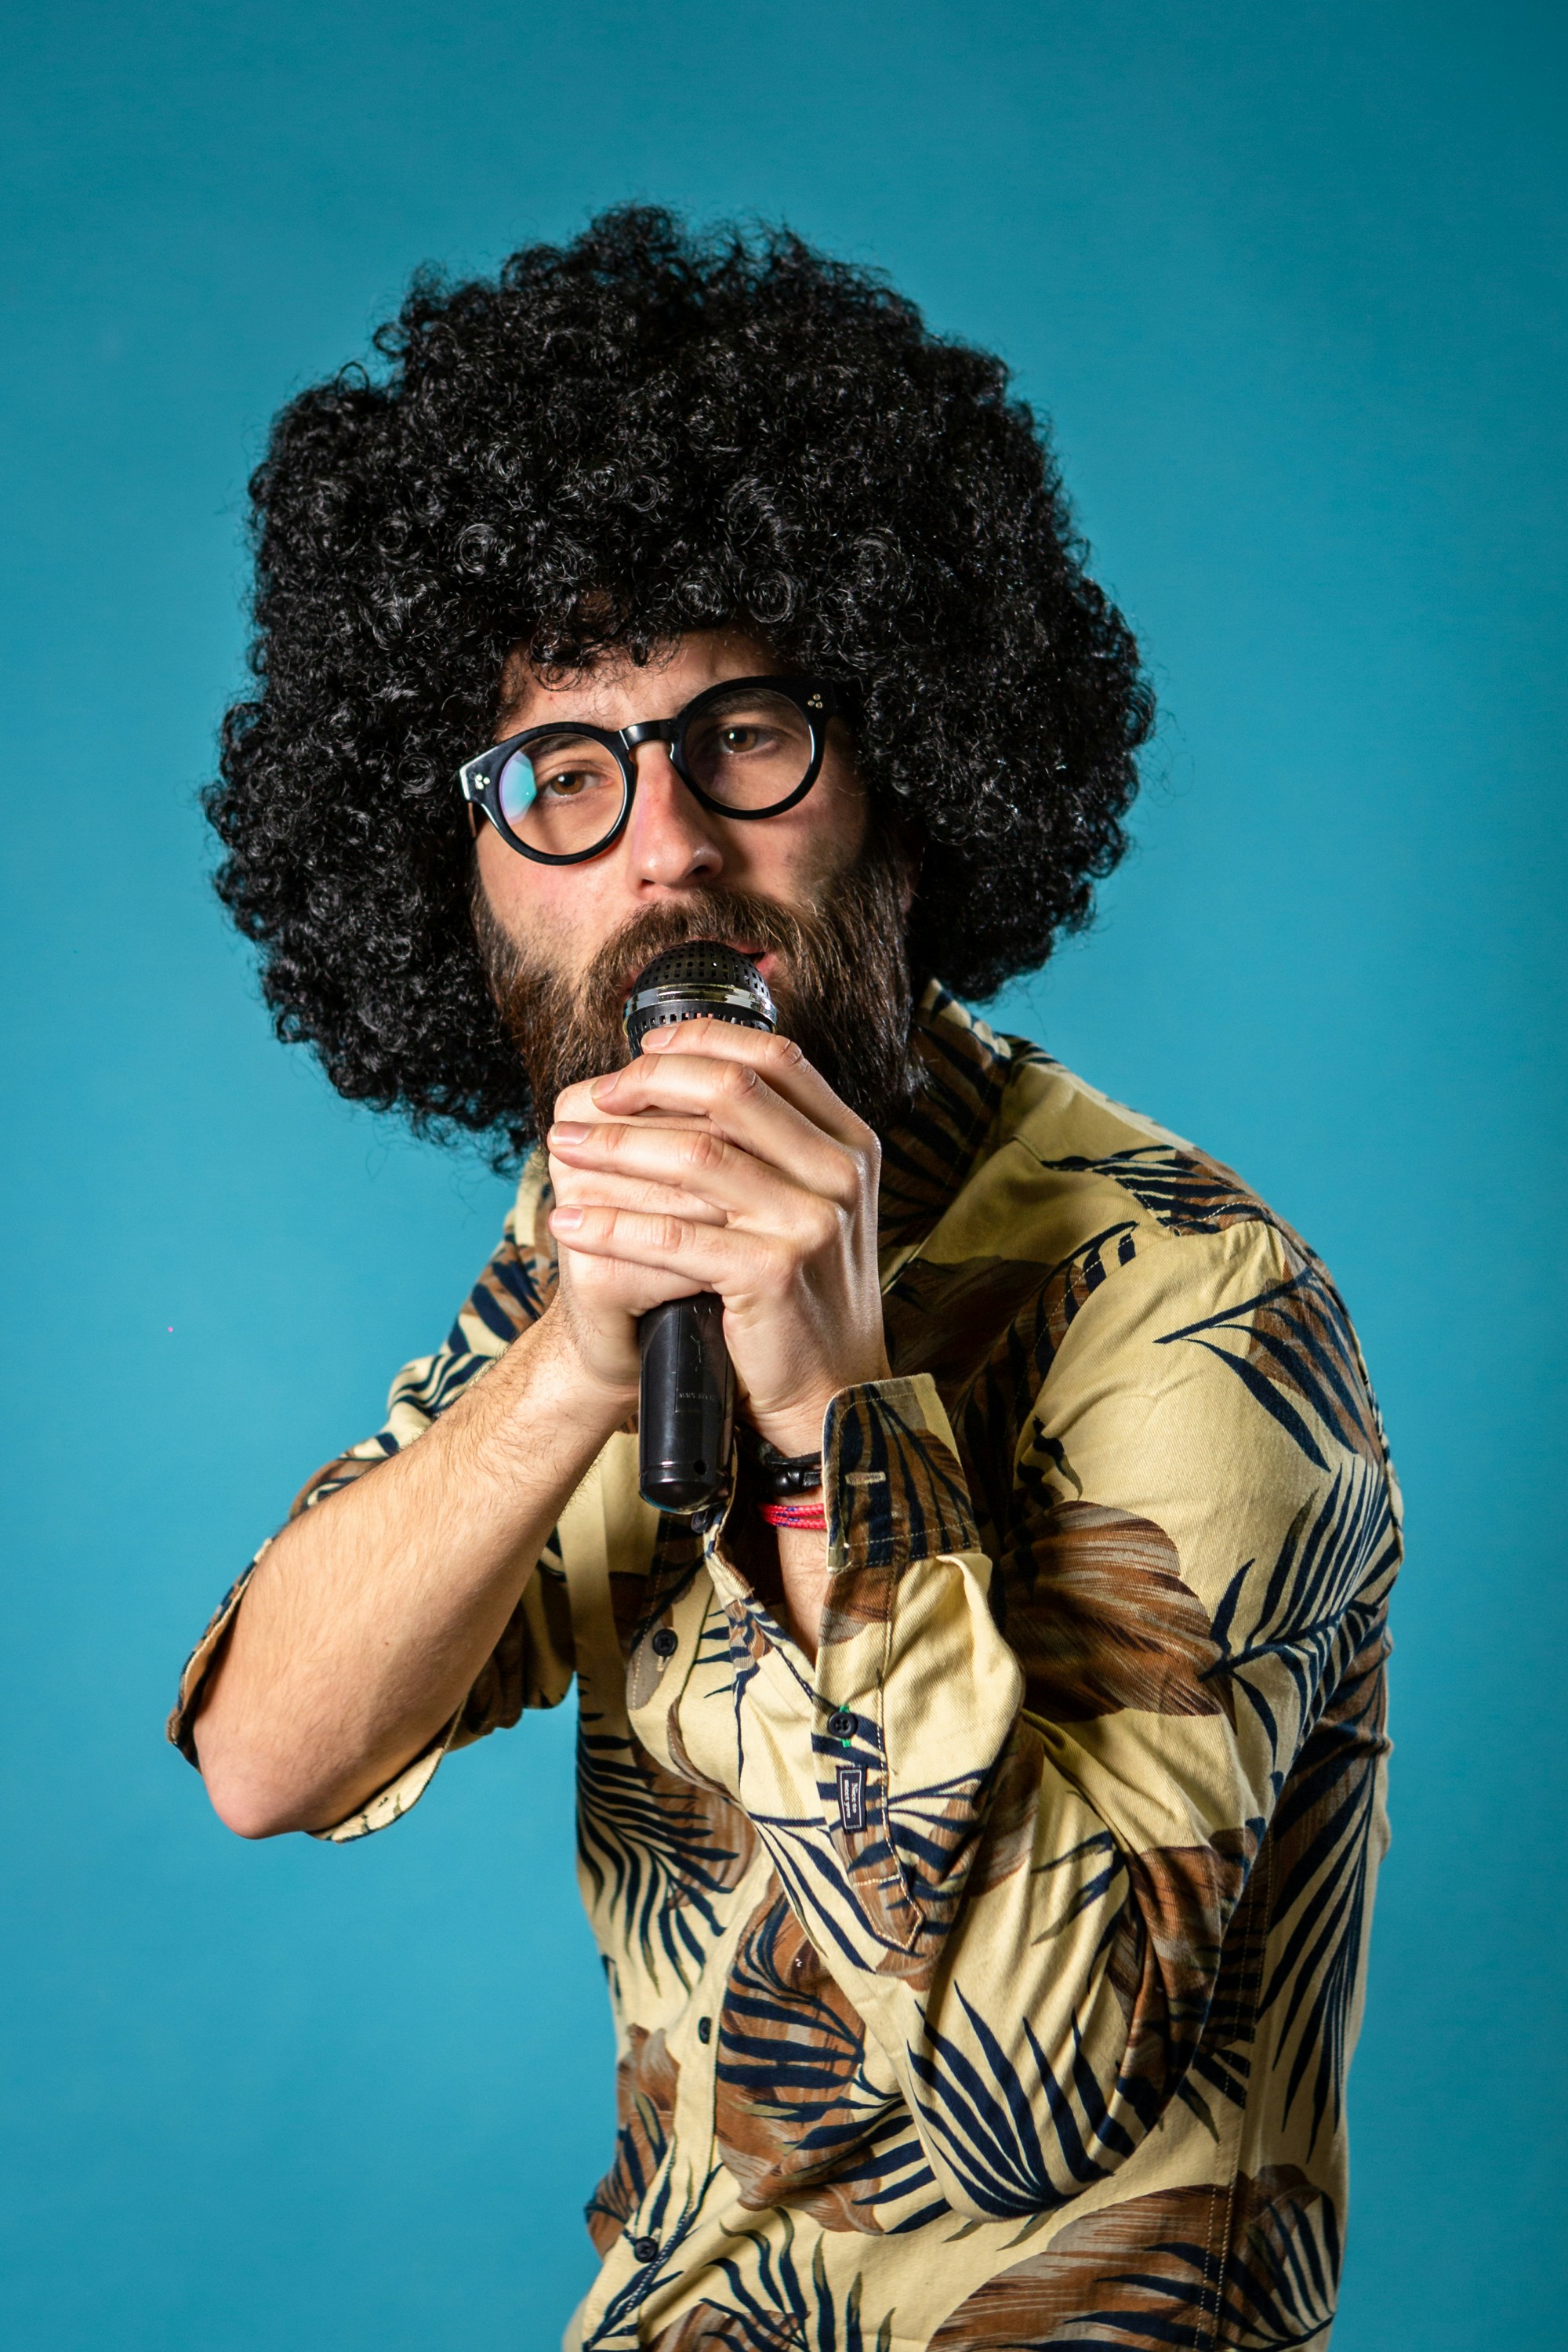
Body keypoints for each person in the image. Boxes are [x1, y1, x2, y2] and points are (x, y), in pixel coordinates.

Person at [169, 207, 1400, 2351]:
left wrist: (838, 1412)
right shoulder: (599, 1238)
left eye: (743, 737)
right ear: (460, 890)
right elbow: (270, 1750)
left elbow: (1023, 2116)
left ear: (903, 797)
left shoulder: (1196, 1307)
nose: (662, 847)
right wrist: (567, 1367)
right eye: (562, 773)